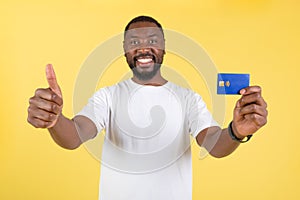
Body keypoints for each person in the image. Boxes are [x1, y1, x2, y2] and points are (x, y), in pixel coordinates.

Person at [27, 16, 268, 200]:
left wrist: (237, 131)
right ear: (124, 49)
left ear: (164, 47)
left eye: (152, 41)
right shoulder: (108, 96)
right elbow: (75, 135)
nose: (143, 48)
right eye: (134, 42)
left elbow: (213, 143)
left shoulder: (188, 99)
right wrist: (55, 120)